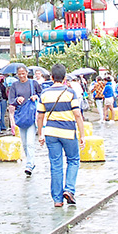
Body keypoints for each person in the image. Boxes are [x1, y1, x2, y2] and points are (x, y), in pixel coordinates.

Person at [36, 64, 86, 207]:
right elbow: (77, 114)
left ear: (51, 77)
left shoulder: (44, 94)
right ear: (64, 78)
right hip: (68, 132)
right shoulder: (70, 92)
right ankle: (69, 189)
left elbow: (40, 116)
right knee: (73, 160)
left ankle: (57, 200)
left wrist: (40, 133)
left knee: (55, 164)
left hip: (51, 133)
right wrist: (82, 134)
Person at [7, 66, 42, 176]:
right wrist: (17, 100)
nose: (22, 76)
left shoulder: (33, 83)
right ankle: (30, 161)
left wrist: (36, 97)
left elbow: (42, 95)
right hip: (21, 117)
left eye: (23, 73)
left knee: (30, 142)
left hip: (31, 116)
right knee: (25, 143)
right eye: (19, 74)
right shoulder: (14, 85)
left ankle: (29, 164)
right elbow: (11, 100)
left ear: (27, 73)